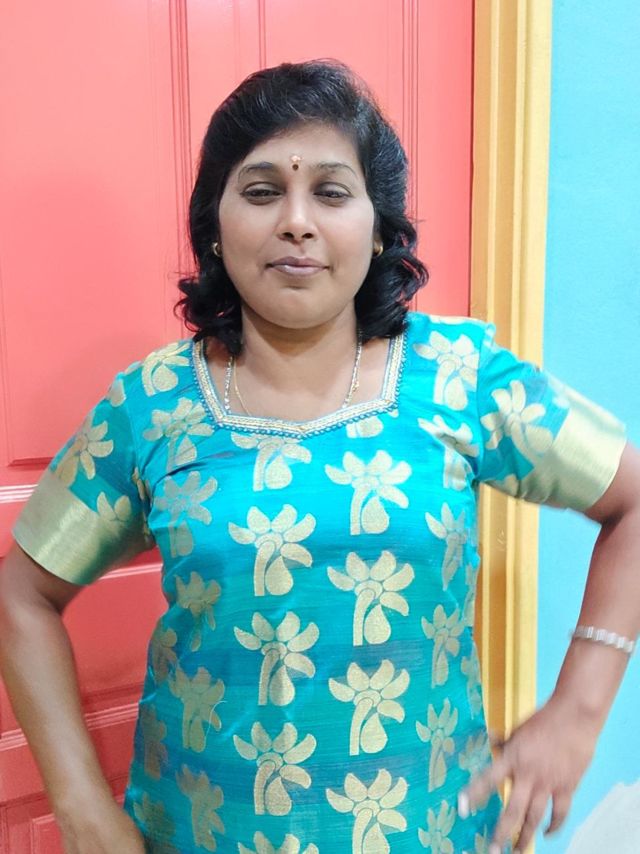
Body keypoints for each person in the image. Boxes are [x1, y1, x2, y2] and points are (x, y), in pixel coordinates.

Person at [0, 59, 638, 854]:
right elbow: (22, 594)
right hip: (198, 833)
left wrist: (579, 711)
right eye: (262, 191)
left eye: (331, 192)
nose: (296, 221)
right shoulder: (153, 405)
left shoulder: (460, 381)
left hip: (430, 831)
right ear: (213, 225)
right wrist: (82, 809)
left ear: (379, 229)